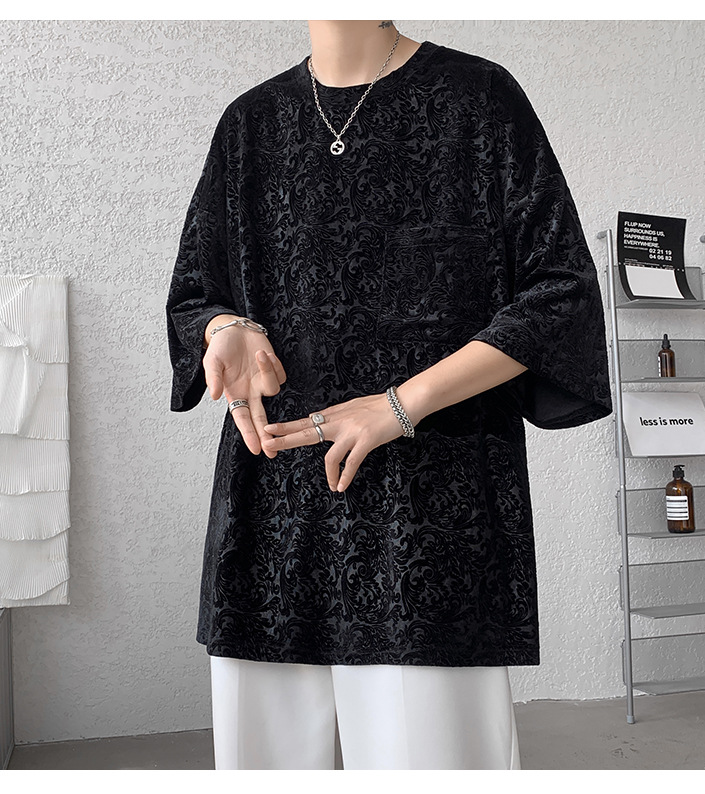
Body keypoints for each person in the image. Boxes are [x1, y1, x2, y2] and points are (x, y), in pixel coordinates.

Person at [165, 20, 612, 770]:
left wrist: (399, 404)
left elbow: (559, 291)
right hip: (273, 517)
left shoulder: (479, 98)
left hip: (433, 520)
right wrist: (223, 327)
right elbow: (194, 292)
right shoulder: (249, 123)